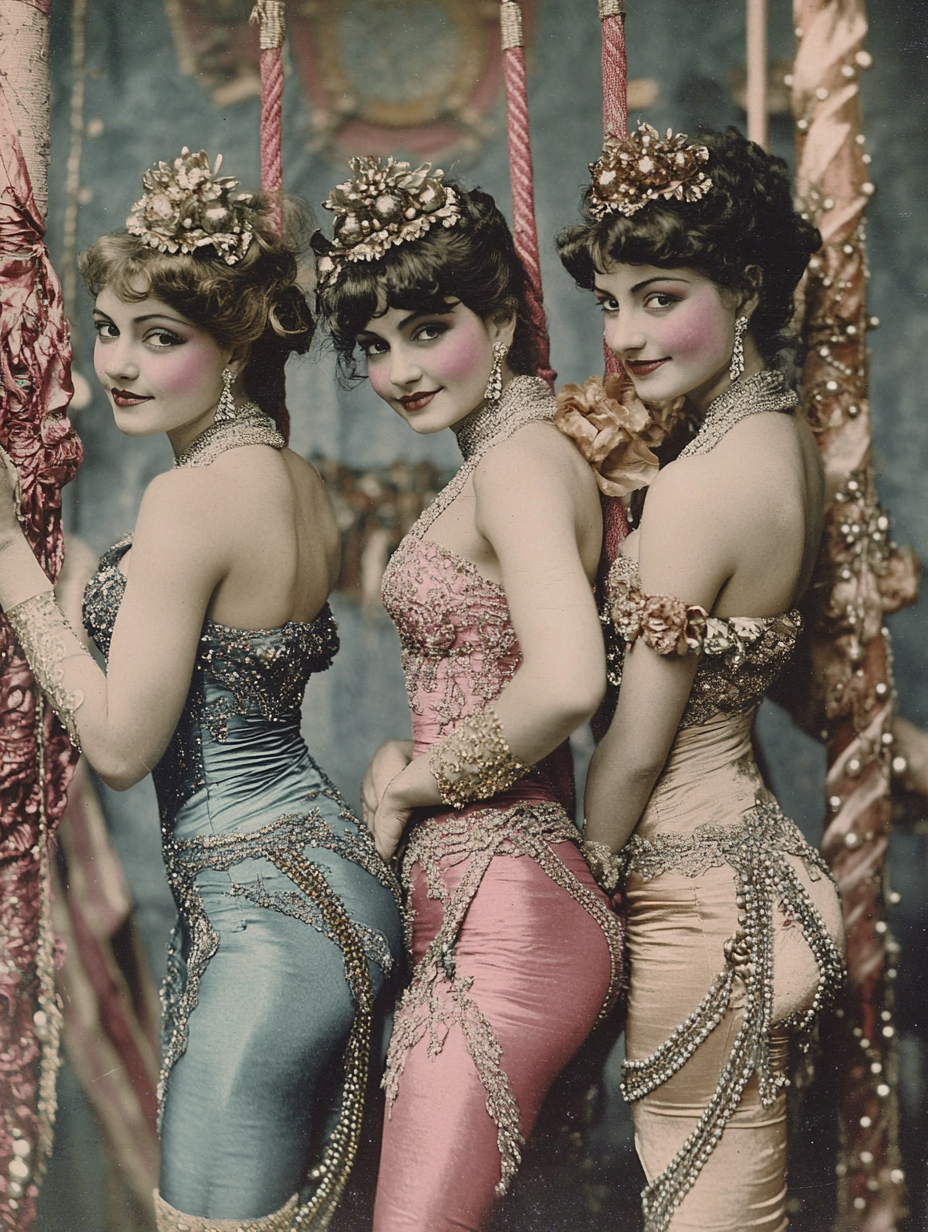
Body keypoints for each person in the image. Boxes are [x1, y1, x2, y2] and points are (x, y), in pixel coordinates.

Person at [0, 148, 403, 1231]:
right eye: (112, 327)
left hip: (267, 913)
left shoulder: (190, 499)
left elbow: (125, 746)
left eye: (162, 336)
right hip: (327, 884)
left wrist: (12, 565)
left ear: (230, 347)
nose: (121, 362)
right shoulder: (288, 476)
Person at [313, 157, 624, 1232]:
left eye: (425, 326)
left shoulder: (520, 462)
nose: (397, 367)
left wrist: (411, 780)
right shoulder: (495, 457)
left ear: (498, 322)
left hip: (515, 905)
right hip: (477, 897)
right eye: (374, 344)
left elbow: (569, 676)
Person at [555, 124, 846, 1232]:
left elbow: (635, 742)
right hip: (763, 870)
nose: (626, 334)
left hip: (691, 899)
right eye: (611, 300)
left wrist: (585, 869)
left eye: (659, 296)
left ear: (746, 284)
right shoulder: (783, 440)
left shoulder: (699, 488)